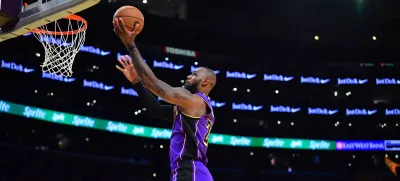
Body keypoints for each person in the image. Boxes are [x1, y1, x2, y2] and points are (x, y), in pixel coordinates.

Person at [113, 18, 217, 181]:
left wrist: (131, 46)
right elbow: (157, 110)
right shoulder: (189, 107)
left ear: (205, 82)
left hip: (191, 170)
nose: (189, 76)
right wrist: (136, 83)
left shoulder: (195, 101)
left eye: (195, 74)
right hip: (187, 170)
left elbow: (153, 83)